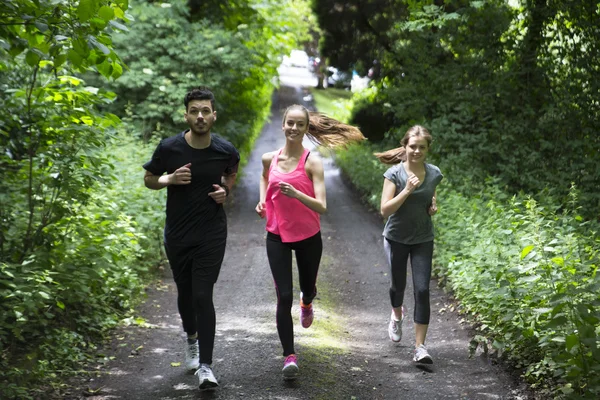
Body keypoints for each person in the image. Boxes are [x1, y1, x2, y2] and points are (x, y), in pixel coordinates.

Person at [255, 104, 364, 380]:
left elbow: (322, 206)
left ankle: (308, 301)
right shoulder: (270, 158)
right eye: (289, 123)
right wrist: (262, 200)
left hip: (307, 236)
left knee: (306, 288)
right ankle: (289, 356)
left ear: (306, 129)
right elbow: (265, 178)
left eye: (299, 124)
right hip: (277, 234)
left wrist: (295, 194)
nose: (293, 128)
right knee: (283, 296)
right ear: (282, 125)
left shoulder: (312, 162)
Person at [142, 87, 239, 390]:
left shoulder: (225, 150)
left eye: (205, 111)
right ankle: (191, 339)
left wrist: (226, 190)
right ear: (186, 115)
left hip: (211, 233)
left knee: (202, 295)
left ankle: (206, 367)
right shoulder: (169, 149)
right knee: (185, 295)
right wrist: (169, 179)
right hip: (178, 234)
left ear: (214, 115)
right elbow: (148, 179)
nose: (200, 116)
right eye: (194, 111)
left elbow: (231, 172)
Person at [375, 125, 443, 364]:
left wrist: (432, 206)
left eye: (421, 147)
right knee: (398, 286)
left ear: (427, 149)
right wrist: (407, 190)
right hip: (396, 238)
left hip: (423, 238)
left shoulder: (434, 173)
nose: (416, 151)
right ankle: (396, 314)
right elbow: (385, 210)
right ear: (405, 147)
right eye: (412, 146)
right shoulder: (394, 174)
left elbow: (430, 197)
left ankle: (420, 347)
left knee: (422, 290)